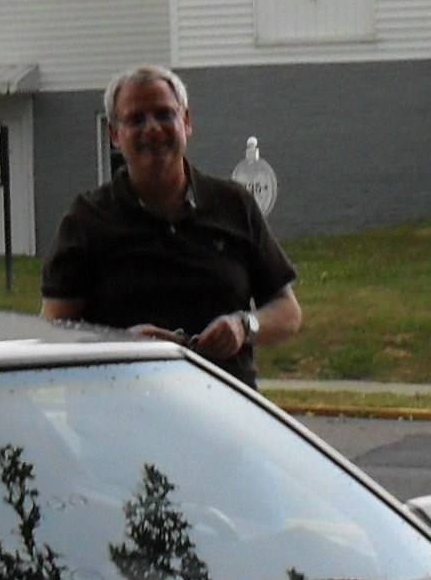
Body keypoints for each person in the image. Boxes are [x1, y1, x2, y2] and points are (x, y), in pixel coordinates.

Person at [40, 65, 302, 386]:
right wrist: (120, 345)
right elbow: (53, 335)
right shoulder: (87, 219)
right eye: (136, 119)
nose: (153, 129)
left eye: (164, 114)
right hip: (121, 412)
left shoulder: (234, 205)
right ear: (115, 134)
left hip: (224, 411)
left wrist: (244, 326)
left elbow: (288, 312)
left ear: (186, 121)